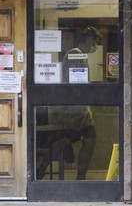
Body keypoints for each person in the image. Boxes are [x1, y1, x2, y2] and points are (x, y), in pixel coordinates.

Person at [36, 27, 102, 180]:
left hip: (80, 109)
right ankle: (42, 168)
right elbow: (74, 81)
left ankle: (80, 176)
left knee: (87, 138)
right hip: (72, 110)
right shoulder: (75, 54)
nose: (96, 46)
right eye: (95, 42)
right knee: (65, 140)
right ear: (90, 40)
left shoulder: (79, 55)